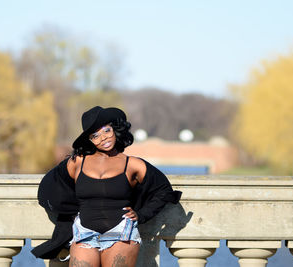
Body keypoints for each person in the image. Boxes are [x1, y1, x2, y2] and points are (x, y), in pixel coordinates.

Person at [31, 106, 181, 267]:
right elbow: (50, 188)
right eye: (95, 135)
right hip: (84, 234)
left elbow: (163, 191)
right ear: (89, 140)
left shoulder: (133, 164)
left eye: (106, 131)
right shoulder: (77, 163)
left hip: (122, 234)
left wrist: (142, 214)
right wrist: (71, 211)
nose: (103, 138)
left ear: (115, 129)